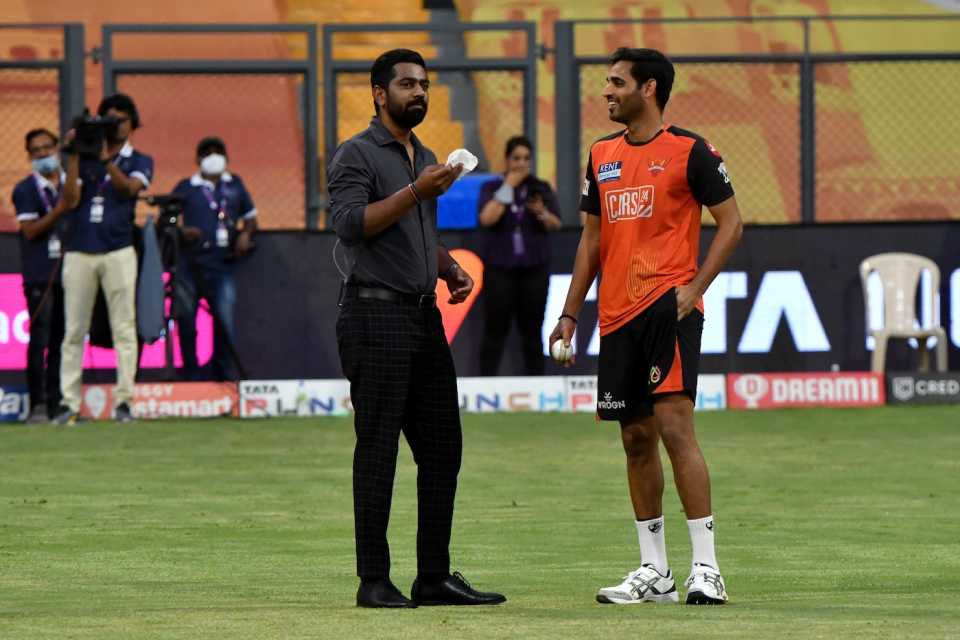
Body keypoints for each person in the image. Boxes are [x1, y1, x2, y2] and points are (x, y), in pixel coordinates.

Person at [549, 48, 743, 605]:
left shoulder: (691, 150)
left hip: (667, 309)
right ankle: (654, 573)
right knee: (635, 441)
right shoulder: (601, 154)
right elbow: (592, 241)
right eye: (606, 82)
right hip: (616, 315)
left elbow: (731, 224)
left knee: (677, 430)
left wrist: (696, 287)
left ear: (649, 88)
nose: (606, 92)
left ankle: (706, 568)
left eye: (616, 82)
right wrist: (569, 313)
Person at [328, 48, 506, 609]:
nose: (419, 93)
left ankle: (433, 575)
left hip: (421, 314)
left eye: (425, 84)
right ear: (379, 94)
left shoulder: (424, 155)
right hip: (373, 312)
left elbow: (417, 234)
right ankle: (373, 580)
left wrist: (447, 265)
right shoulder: (355, 153)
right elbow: (352, 226)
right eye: (407, 85)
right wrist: (415, 193)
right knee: (377, 449)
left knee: (443, 447)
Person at [54, 93, 154, 425]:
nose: (116, 126)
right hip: (81, 249)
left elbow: (129, 190)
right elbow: (69, 201)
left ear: (133, 123)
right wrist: (72, 154)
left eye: (121, 120)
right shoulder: (82, 158)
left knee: (124, 328)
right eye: (109, 120)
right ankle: (69, 403)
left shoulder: (140, 159)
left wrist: (106, 159)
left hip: (118, 249)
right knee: (73, 330)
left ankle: (124, 402)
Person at [172, 136, 257, 381]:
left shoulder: (235, 185)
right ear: (198, 159)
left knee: (224, 321)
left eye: (218, 152)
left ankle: (222, 375)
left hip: (223, 264)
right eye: (207, 152)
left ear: (227, 158)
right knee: (186, 319)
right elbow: (167, 221)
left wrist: (245, 234)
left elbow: (251, 218)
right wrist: (182, 232)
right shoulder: (186, 187)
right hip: (190, 264)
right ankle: (191, 374)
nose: (213, 156)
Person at [476, 135, 562, 376]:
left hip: (534, 269)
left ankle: (536, 384)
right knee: (495, 329)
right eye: (516, 158)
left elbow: (556, 223)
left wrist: (542, 213)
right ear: (506, 159)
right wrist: (509, 186)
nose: (521, 163)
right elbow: (487, 218)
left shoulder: (540, 187)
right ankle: (486, 384)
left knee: (533, 331)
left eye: (526, 158)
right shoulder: (492, 187)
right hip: (499, 269)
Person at [12, 128, 79, 423]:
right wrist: (59, 210)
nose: (42, 154)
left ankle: (60, 404)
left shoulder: (70, 184)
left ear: (55, 148)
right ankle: (38, 403)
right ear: (29, 156)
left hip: (73, 269)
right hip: (40, 273)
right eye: (36, 150)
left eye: (46, 147)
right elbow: (30, 230)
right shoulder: (25, 189)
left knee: (65, 338)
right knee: (40, 337)